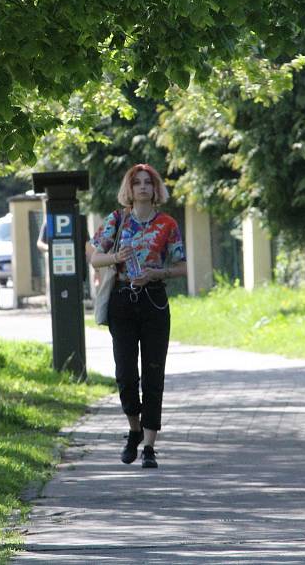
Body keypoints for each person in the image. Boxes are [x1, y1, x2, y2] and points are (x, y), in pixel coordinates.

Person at [90, 163, 187, 469]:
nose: (143, 187)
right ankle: (133, 428)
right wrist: (115, 257)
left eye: (148, 182)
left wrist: (157, 273)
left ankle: (149, 446)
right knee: (126, 375)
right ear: (129, 190)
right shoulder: (116, 220)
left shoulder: (168, 224)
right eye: (138, 183)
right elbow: (95, 259)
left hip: (154, 300)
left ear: (156, 188)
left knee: (154, 373)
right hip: (122, 299)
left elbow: (182, 267)